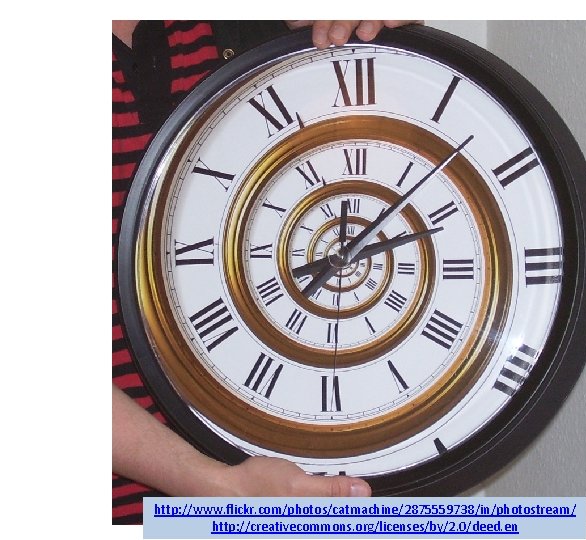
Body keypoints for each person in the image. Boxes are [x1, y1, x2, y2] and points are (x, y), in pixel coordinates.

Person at [112, 19, 418, 525]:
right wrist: (215, 487)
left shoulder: (252, 27)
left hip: (309, 488)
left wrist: (380, 40)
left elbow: (381, 145)